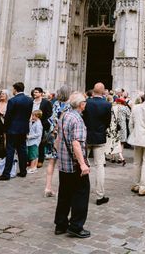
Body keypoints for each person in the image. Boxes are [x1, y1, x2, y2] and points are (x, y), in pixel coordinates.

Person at [54, 92, 91, 238]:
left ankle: (60, 224)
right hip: (75, 165)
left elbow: (57, 139)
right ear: (81, 104)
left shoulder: (64, 116)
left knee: (64, 194)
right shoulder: (77, 120)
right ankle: (76, 226)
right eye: (85, 102)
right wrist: (83, 164)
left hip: (63, 164)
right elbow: (76, 143)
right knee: (81, 193)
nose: (86, 104)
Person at [0, 82, 33, 181]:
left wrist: (5, 128)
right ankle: (23, 171)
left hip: (12, 129)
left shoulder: (12, 100)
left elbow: (8, 116)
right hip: (23, 129)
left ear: (15, 89)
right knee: (22, 150)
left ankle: (6, 173)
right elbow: (28, 115)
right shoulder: (29, 100)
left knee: (10, 150)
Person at [82, 82, 112, 205]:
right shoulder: (107, 104)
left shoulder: (86, 103)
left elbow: (82, 119)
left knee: (82, 164)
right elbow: (107, 122)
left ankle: (80, 192)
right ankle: (100, 195)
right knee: (100, 166)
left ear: (93, 91)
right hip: (99, 137)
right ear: (104, 92)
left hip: (86, 136)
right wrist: (101, 130)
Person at [44, 85, 71, 197]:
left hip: (54, 136)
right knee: (63, 165)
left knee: (51, 162)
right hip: (63, 138)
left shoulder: (55, 104)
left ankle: (48, 188)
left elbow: (51, 120)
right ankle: (62, 191)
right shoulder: (69, 107)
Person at [31, 87, 53, 168]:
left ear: (41, 93)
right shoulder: (31, 101)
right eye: (34, 92)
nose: (34, 93)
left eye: (36, 92)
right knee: (32, 141)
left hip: (41, 124)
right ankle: (31, 159)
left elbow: (49, 114)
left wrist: (44, 124)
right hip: (31, 124)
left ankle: (40, 160)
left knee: (41, 143)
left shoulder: (45, 102)